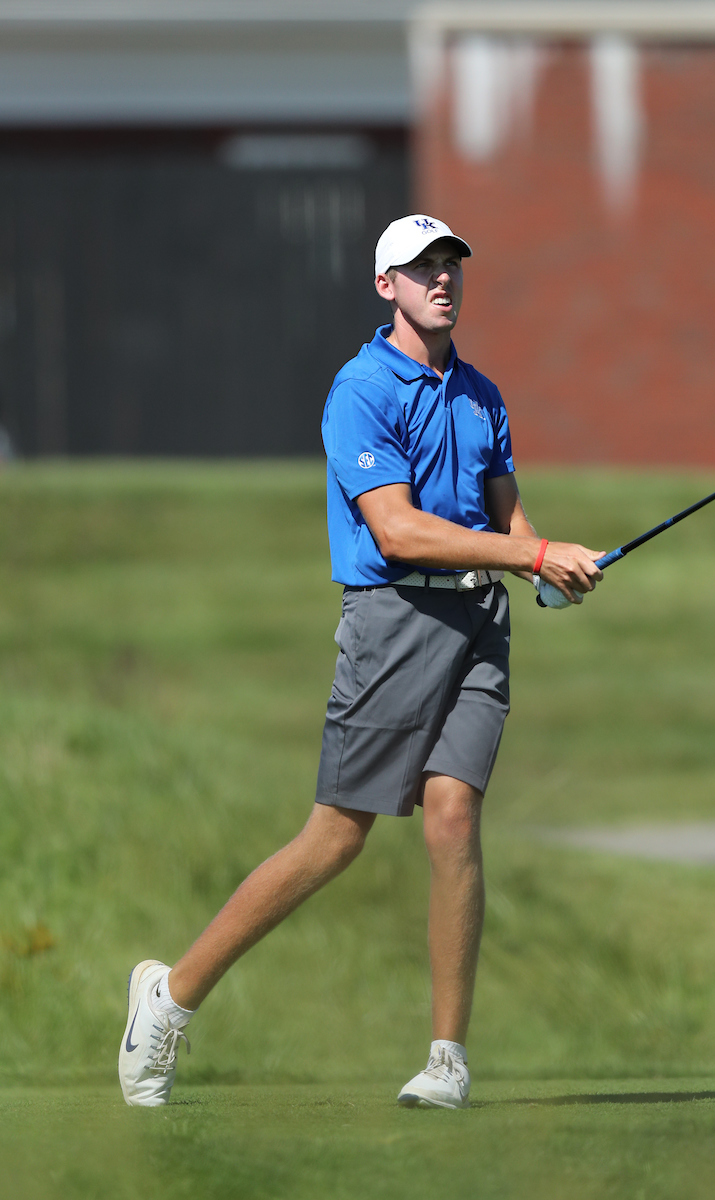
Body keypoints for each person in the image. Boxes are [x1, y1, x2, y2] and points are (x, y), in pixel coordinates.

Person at [118, 214, 604, 1110]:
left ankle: (447, 1060)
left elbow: (507, 514)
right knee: (338, 835)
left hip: (480, 625)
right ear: (386, 286)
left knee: (454, 817)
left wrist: (548, 568)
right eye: (422, 268)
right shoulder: (361, 390)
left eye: (451, 264)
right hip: (394, 620)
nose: (442, 278)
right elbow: (398, 529)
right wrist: (533, 556)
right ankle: (170, 1000)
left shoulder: (482, 393)